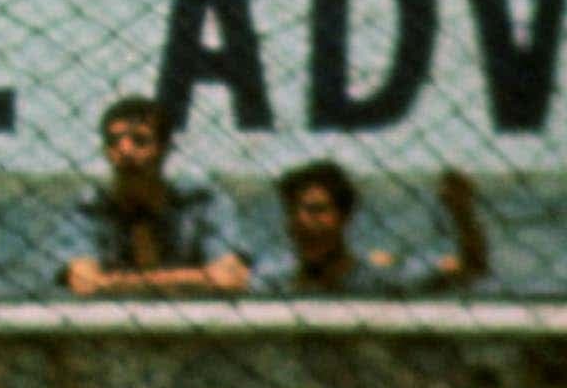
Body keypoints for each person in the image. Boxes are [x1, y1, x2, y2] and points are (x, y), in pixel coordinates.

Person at [57, 96, 251, 301]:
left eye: (139, 140)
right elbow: (84, 283)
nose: (125, 150)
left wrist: (113, 282)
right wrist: (198, 277)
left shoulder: (202, 200)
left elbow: (229, 279)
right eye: (114, 141)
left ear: (165, 149)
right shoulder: (89, 207)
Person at [256, 161, 489, 298]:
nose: (303, 222)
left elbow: (472, 267)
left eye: (317, 210)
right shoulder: (275, 279)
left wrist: (462, 215)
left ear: (344, 216)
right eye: (294, 211)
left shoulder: (379, 279)